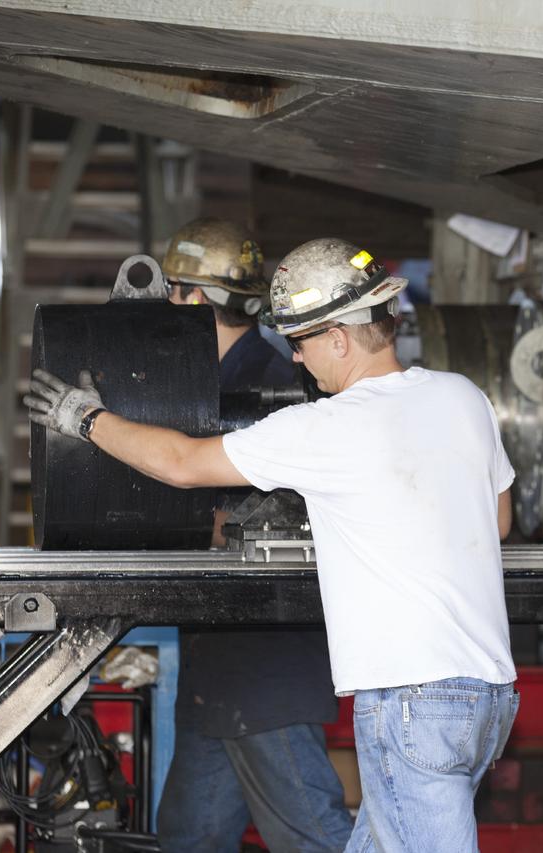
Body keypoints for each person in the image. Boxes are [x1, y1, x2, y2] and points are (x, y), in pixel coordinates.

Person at [25, 237, 518, 853]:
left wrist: (86, 419)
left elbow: (181, 463)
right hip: (487, 694)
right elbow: (496, 520)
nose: (298, 358)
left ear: (339, 337)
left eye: (303, 341)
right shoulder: (462, 396)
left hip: (411, 698)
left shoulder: (328, 428)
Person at [154, 219, 352, 853]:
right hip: (219, 660)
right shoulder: (203, 380)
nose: (166, 303)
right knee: (191, 838)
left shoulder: (274, 385)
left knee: (310, 837)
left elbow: (274, 520)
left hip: (267, 662)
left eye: (174, 289)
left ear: (195, 298)